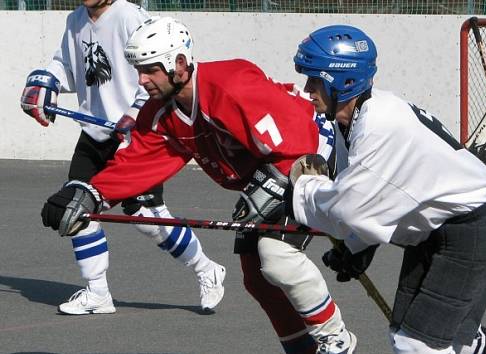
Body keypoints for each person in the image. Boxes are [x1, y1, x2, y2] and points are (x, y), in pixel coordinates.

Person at [38, 16, 355, 354]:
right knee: (257, 280)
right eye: (139, 71)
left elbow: (296, 139)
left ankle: (335, 338)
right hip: (267, 172)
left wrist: (274, 185)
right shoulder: (163, 113)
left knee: (275, 255)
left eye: (149, 70)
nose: (141, 80)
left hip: (307, 158)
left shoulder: (230, 83)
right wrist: (88, 195)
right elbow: (137, 163)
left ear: (178, 64)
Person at [290, 24, 486, 354]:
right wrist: (357, 248)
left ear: (341, 80)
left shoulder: (377, 125)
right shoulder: (354, 121)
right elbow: (374, 200)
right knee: (417, 333)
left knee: (418, 344)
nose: (307, 89)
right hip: (440, 227)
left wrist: (300, 192)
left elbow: (348, 209)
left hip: (472, 228)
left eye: (315, 80)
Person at [19, 1, 225, 314]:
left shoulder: (130, 16)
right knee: (75, 208)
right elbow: (67, 67)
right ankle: (98, 293)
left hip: (134, 135)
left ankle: (206, 269)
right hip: (95, 132)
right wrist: (46, 82)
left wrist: (134, 113)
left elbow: (154, 69)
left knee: (145, 215)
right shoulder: (75, 20)